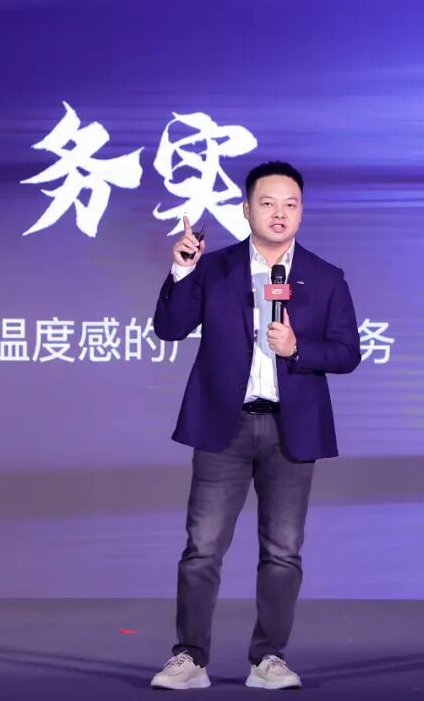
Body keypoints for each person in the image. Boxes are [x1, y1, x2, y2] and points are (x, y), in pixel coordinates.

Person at [149, 160, 361, 690]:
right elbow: (170, 328)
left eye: (291, 204)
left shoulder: (326, 277)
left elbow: (347, 353)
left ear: (302, 212)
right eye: (268, 203)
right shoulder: (214, 268)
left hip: (291, 431)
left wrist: (298, 349)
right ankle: (189, 658)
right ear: (246, 209)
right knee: (202, 549)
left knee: (283, 553)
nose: (279, 213)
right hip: (224, 427)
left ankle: (269, 659)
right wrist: (181, 271)